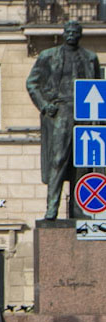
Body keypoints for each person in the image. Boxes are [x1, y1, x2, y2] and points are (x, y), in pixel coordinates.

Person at [27, 20, 102, 219]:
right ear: (63, 34)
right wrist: (44, 105)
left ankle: (77, 209)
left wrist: (97, 118)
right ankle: (52, 208)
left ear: (80, 35)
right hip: (60, 111)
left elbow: (98, 88)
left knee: (82, 164)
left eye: (75, 32)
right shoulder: (48, 56)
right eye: (68, 32)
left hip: (84, 113)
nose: (71, 35)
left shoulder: (90, 58)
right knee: (58, 160)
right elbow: (32, 83)